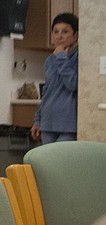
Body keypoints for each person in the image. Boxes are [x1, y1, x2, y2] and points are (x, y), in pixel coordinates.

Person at [30, 12, 79, 143]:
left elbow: (73, 84)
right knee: (47, 162)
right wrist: (38, 120)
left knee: (63, 162)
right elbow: (47, 91)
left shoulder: (79, 57)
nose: (59, 36)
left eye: (65, 32)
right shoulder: (50, 60)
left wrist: (62, 57)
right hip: (48, 122)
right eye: (56, 32)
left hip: (68, 124)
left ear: (75, 35)